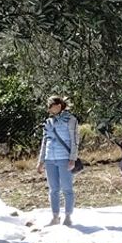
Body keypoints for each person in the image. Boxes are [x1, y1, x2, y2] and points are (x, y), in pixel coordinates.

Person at [36, 95, 79, 226]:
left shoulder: (71, 120)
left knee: (67, 188)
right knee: (53, 189)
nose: (48, 110)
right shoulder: (48, 122)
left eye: (51, 106)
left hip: (64, 158)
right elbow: (45, 141)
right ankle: (55, 216)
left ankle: (68, 216)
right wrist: (41, 160)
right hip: (50, 159)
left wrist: (72, 158)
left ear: (59, 106)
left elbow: (75, 140)